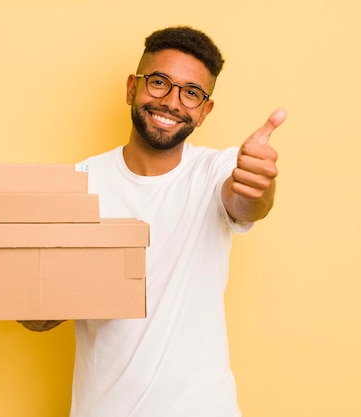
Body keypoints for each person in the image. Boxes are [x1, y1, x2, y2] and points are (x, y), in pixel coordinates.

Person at [20, 26, 286, 417]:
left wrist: (255, 185)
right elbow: (36, 319)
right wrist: (46, 296)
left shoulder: (216, 170)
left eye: (191, 92)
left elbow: (245, 203)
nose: (172, 102)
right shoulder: (78, 185)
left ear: (204, 110)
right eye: (159, 82)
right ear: (132, 88)